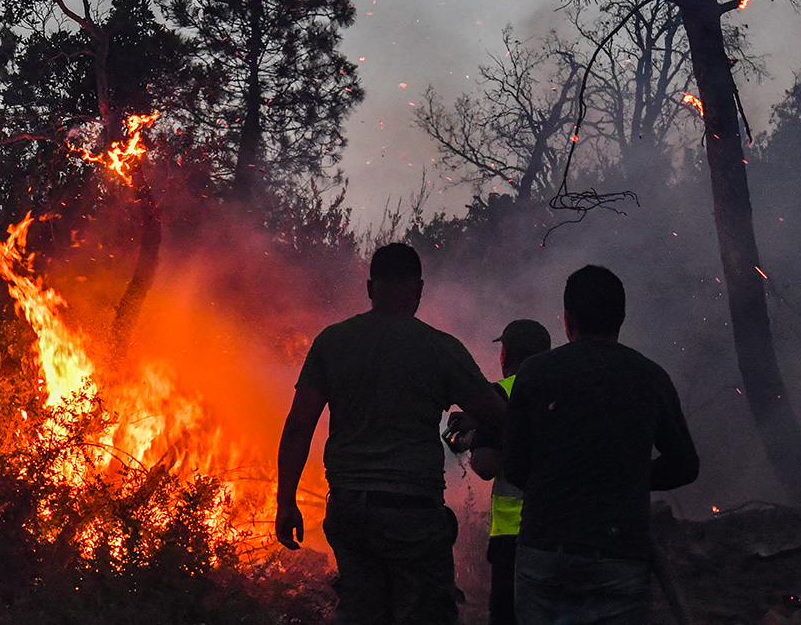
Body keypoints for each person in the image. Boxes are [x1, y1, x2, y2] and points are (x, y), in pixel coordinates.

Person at [275, 242, 506, 625]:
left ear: (370, 288)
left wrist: (285, 502)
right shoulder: (440, 348)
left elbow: (299, 425)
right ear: (418, 290)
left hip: (349, 511)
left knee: (360, 613)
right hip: (413, 513)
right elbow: (497, 415)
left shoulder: (332, 342)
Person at [502, 265, 699, 625]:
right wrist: (628, 474)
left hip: (545, 551)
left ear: (567, 320)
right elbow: (685, 463)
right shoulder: (649, 376)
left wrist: (562, 474)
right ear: (621, 318)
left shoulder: (534, 373)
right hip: (618, 555)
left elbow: (514, 466)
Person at [468, 319, 552, 625]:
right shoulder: (567, 391)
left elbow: (485, 464)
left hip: (514, 538)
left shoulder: (501, 394)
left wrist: (477, 442)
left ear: (504, 355)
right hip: (565, 534)